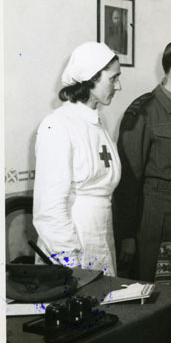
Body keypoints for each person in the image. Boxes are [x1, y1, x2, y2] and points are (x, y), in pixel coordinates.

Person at [114, 39, 171, 281]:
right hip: (158, 219)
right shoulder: (143, 111)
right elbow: (128, 180)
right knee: (155, 287)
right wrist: (127, 234)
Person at [33, 42, 122, 276]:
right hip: (72, 241)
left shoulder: (98, 122)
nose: (118, 86)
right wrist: (69, 261)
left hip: (100, 234)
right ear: (91, 79)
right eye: (113, 78)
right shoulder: (57, 125)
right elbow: (49, 208)